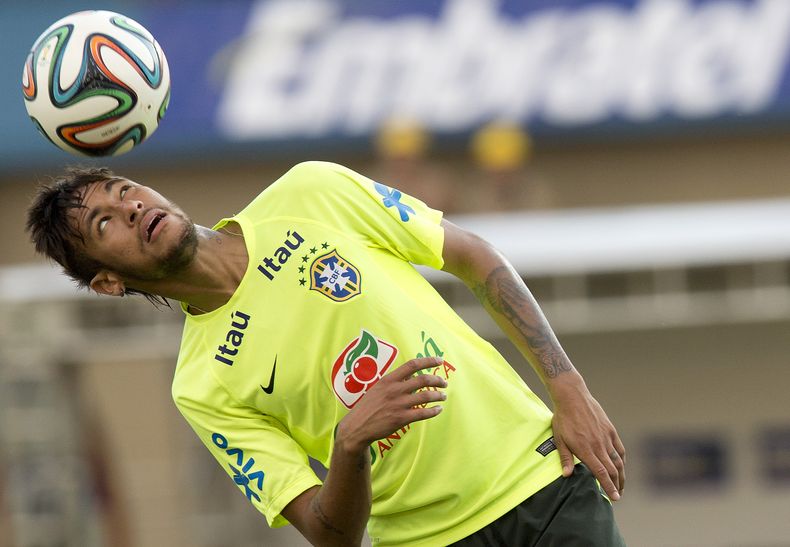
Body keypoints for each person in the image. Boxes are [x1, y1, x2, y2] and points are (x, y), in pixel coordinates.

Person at [26, 161, 626, 546]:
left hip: (547, 485)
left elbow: (472, 255)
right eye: (105, 225)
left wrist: (567, 386)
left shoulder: (310, 192)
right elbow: (327, 533)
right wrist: (348, 444)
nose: (130, 208)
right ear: (107, 282)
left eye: (125, 191)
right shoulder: (201, 385)